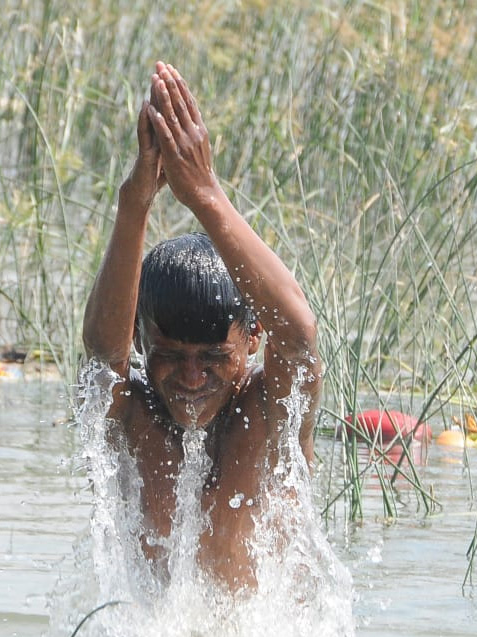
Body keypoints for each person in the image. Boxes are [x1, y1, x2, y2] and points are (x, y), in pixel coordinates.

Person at [82, 61, 320, 591]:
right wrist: (134, 203)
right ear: (143, 340)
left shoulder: (271, 411)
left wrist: (206, 195)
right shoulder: (134, 412)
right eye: (171, 353)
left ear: (253, 339)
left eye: (213, 357)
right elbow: (103, 354)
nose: (191, 377)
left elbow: (300, 336)